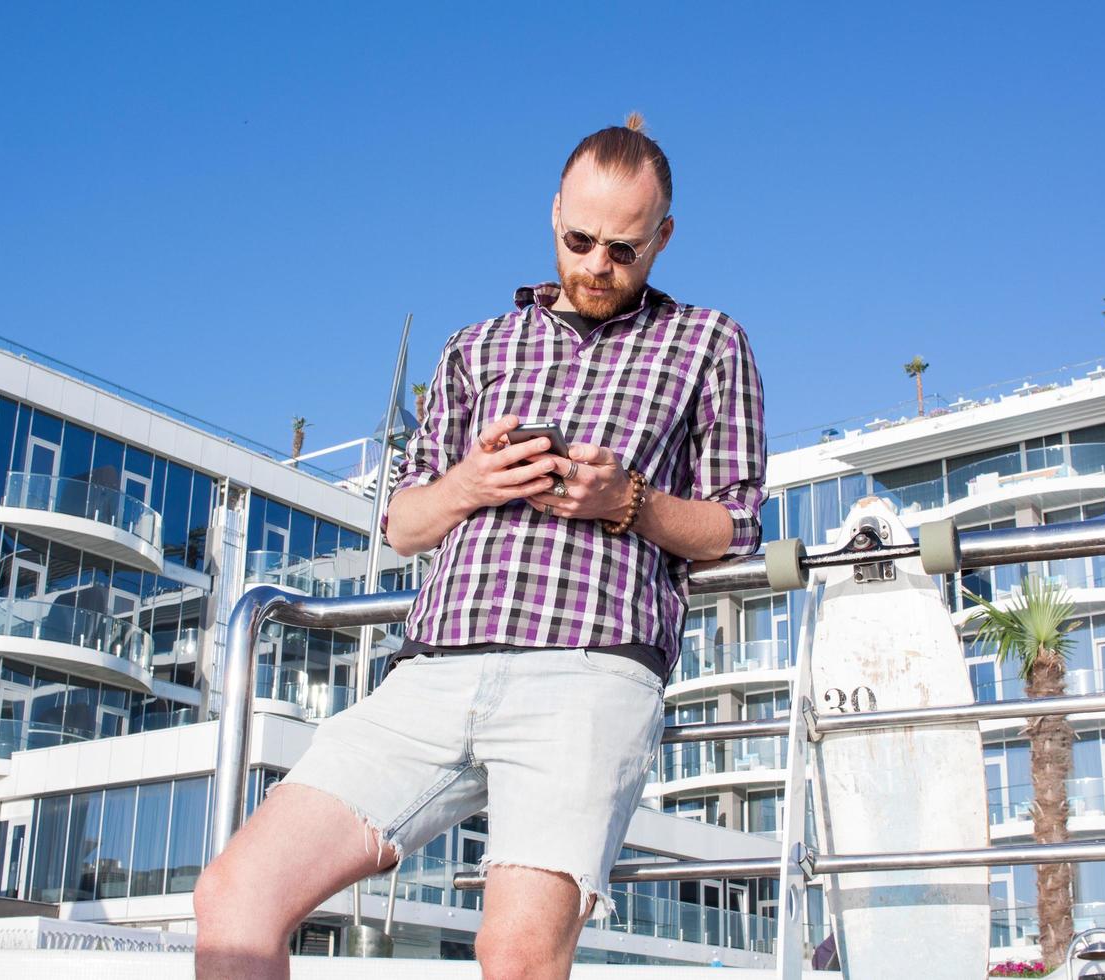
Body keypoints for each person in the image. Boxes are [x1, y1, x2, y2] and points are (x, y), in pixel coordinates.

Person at [194, 113, 767, 980]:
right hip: (432, 669)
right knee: (235, 897)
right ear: (552, 217)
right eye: (580, 239)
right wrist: (472, 482)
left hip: (591, 668)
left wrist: (629, 501)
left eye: (625, 249)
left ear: (664, 238)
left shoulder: (709, 342)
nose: (597, 266)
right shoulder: (475, 348)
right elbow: (402, 525)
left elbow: (735, 526)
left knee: (518, 953)